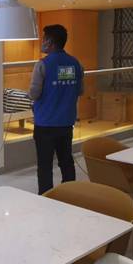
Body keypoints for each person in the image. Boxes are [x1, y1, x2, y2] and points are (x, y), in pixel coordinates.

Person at [29, 24, 83, 195]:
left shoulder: (42, 64)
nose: (42, 43)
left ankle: (46, 197)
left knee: (45, 165)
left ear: (50, 42)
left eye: (44, 39)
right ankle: (70, 194)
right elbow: (80, 90)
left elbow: (34, 93)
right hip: (66, 122)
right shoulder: (75, 63)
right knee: (66, 161)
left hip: (45, 124)